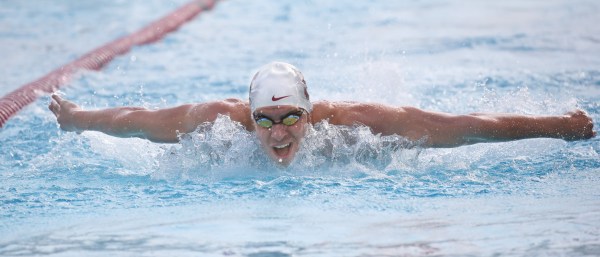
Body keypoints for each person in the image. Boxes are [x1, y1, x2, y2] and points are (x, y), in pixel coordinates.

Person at [49, 62, 596, 166]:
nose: (280, 132)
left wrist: (561, 129)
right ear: (250, 115)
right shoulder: (218, 122)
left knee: (426, 138)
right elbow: (137, 119)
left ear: (312, 113)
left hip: (367, 146)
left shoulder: (354, 125)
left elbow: (462, 129)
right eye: (266, 119)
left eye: (292, 118)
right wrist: (77, 117)